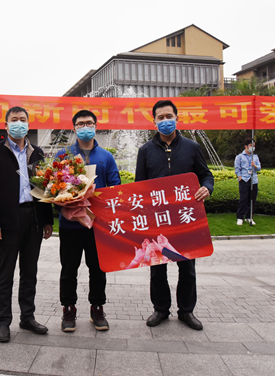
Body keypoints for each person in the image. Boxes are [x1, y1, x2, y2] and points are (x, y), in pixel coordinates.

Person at [135, 99, 214, 331]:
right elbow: (139, 186)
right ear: (154, 121)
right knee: (157, 267)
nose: (165, 121)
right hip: (157, 219)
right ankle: (160, 309)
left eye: (169, 116)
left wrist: (207, 187)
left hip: (185, 218)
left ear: (177, 119)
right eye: (160, 117)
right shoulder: (145, 151)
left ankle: (186, 311)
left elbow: (206, 174)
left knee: (187, 267)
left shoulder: (192, 147)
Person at [0, 106, 54, 343]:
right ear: (6, 125)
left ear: (28, 125)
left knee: (30, 272)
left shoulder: (37, 153)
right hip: (8, 221)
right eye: (14, 120)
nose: (19, 123)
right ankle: (3, 321)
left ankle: (27, 317)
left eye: (23, 119)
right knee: (6, 272)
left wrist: (47, 220)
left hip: (33, 218)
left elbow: (44, 187)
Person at [58, 110, 121, 333]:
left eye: (89, 123)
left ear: (96, 125)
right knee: (69, 269)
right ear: (74, 127)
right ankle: (68, 309)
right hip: (70, 224)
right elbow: (52, 187)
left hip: (98, 225)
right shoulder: (63, 155)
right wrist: (62, 201)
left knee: (98, 268)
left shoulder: (106, 156)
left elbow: (115, 186)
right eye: (81, 124)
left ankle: (97, 308)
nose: (85, 127)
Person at [234, 138, 261, 226]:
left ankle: (249, 217)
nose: (253, 147)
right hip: (244, 180)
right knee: (243, 199)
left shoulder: (255, 157)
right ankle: (240, 217)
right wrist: (240, 177)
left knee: (252, 199)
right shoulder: (240, 157)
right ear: (246, 146)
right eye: (251, 145)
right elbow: (237, 168)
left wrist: (255, 165)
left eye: (254, 146)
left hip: (253, 180)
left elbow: (259, 168)